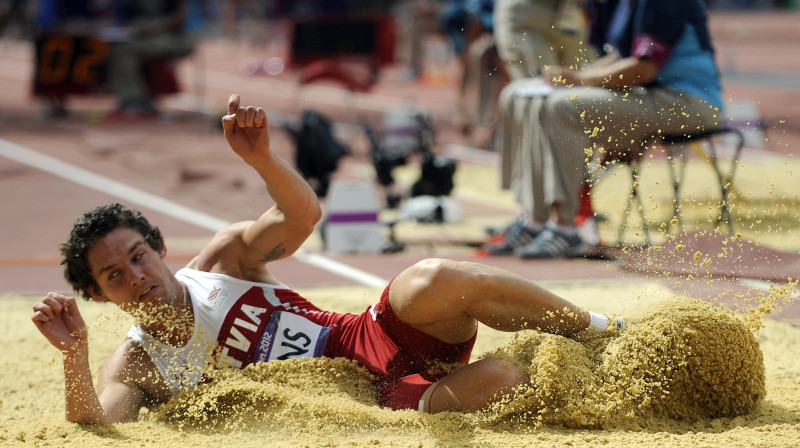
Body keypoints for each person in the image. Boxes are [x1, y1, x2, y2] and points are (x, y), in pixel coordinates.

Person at [32, 94, 624, 424]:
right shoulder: (136, 363)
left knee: (436, 276)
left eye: (138, 257)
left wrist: (263, 161)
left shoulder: (221, 264)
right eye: (115, 276)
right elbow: (98, 425)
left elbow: (301, 219)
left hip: (368, 337)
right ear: (100, 295)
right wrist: (74, 355)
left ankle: (604, 333)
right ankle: (622, 393)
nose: (136, 278)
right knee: (510, 379)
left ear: (160, 250)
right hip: (375, 405)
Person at [486, 0, 723, 259]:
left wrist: (579, 81)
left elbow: (644, 68)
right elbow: (622, 57)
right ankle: (534, 217)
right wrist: (571, 76)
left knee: (562, 107)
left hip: (687, 102)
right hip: (651, 94)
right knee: (520, 96)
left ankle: (567, 227)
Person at [106, 0, 198, 118]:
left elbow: (180, 16)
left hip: (173, 37)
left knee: (123, 51)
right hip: (144, 37)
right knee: (120, 49)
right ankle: (136, 97)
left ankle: (134, 98)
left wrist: (155, 27)